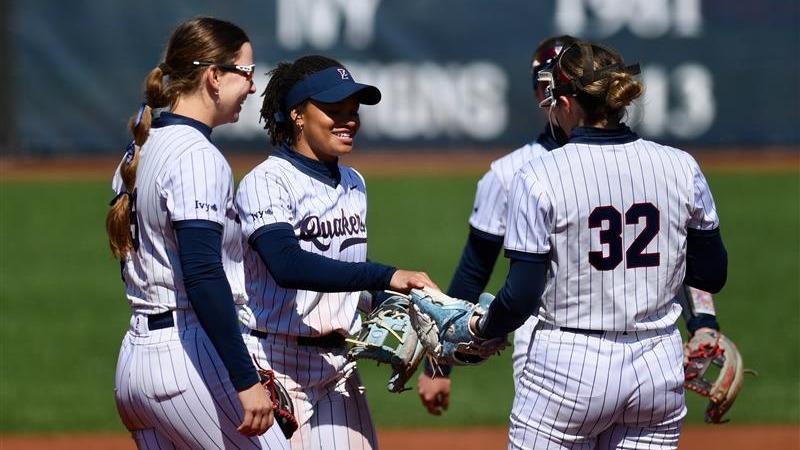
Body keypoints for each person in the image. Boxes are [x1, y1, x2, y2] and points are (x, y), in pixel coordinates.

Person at [417, 36, 727, 419]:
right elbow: (475, 269)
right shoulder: (512, 174)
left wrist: (703, 321)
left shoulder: (531, 175)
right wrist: (439, 365)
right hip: (638, 355)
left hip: (566, 360)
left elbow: (678, 252)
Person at [235, 55, 437, 450]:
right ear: (297, 115)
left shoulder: (353, 182)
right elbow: (286, 265)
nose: (348, 120)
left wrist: (409, 308)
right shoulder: (266, 182)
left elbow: (347, 274)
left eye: (353, 111)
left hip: (337, 369)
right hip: (272, 362)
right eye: (333, 110)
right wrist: (386, 276)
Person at [107, 17, 289, 449]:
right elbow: (203, 273)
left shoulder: (143, 146)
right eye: (246, 72)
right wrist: (245, 379)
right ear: (213, 76)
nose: (252, 86)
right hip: (187, 357)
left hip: (135, 361)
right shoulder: (196, 157)